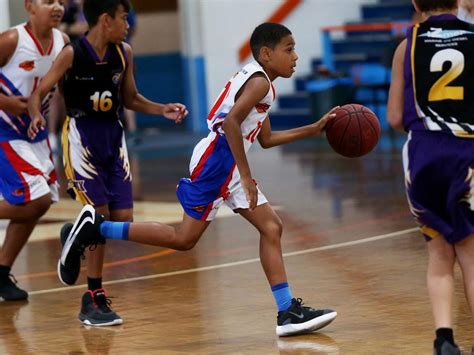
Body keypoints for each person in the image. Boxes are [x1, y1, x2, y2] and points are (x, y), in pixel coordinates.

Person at [56, 22, 338, 336]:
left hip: (223, 160)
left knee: (271, 227)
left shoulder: (260, 82)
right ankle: (97, 228)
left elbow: (266, 139)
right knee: (184, 240)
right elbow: (231, 123)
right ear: (267, 54)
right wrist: (245, 176)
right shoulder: (259, 82)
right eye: (289, 49)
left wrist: (313, 129)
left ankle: (287, 311)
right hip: (218, 161)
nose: (296, 56)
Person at [27, 0, 187, 326]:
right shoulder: (72, 54)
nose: (128, 25)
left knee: (122, 218)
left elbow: (130, 98)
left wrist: (162, 109)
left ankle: (75, 233)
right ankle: (93, 297)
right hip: (81, 137)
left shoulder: (124, 52)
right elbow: (39, 91)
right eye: (124, 19)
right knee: (99, 216)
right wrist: (34, 116)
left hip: (113, 138)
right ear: (105, 19)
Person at [387, 0, 474, 354]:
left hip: (424, 155)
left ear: (415, 3)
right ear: (456, 1)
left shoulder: (406, 45)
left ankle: (444, 338)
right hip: (468, 151)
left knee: (439, 254)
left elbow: (393, 117)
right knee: (470, 252)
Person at [0, 0, 67, 301]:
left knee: (39, 204)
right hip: (4, 132)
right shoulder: (12, 40)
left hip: (34, 135)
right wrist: (4, 103)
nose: (57, 7)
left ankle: (1, 274)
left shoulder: (62, 42)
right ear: (29, 5)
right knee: (35, 199)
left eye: (61, 2)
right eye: (48, 0)